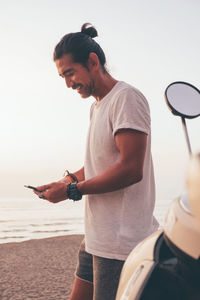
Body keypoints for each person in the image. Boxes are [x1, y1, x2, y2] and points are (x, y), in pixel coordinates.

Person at [34, 23, 159, 300]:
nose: (68, 83)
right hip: (96, 238)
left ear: (93, 62)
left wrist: (70, 192)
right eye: (62, 77)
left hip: (120, 244)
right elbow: (97, 165)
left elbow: (130, 169)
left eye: (70, 73)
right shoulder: (97, 106)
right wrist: (66, 180)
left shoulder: (127, 98)